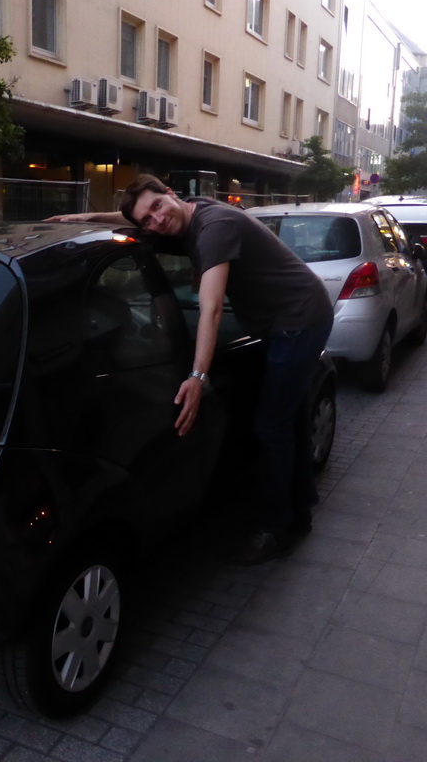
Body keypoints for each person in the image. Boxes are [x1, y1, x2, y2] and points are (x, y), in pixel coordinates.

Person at [49, 175, 333, 564]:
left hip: (299, 319)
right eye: (146, 221)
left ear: (170, 194)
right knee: (289, 416)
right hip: (282, 319)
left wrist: (198, 377)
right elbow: (134, 213)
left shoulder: (215, 229)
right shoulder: (190, 209)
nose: (156, 221)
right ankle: (301, 506)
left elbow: (211, 308)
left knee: (272, 423)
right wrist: (85, 216)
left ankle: (278, 526)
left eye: (157, 208)